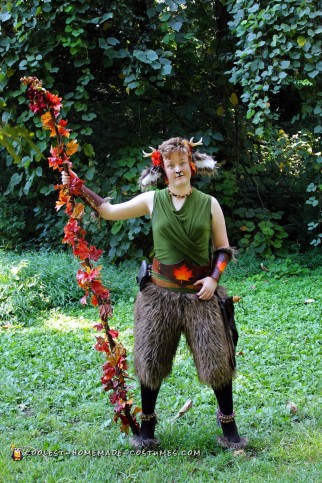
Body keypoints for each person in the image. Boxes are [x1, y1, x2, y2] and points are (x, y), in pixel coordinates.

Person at [62, 136, 248, 450]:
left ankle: (228, 425)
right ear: (162, 170)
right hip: (158, 297)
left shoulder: (209, 204)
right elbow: (107, 210)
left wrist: (214, 280)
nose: (177, 170)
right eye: (170, 165)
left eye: (181, 163)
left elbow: (223, 250)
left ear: (192, 165)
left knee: (218, 361)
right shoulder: (153, 201)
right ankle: (147, 427)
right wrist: (78, 187)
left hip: (200, 297)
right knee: (151, 362)